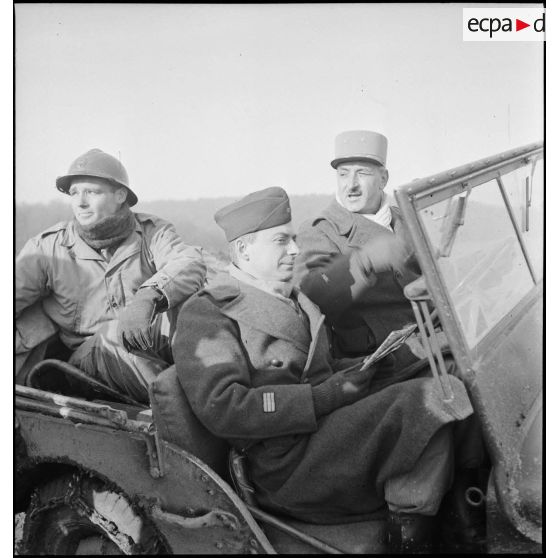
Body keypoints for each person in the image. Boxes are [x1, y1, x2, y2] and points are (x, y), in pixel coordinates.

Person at [172, 186, 476, 553]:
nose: (295, 251)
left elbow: (321, 368)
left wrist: (393, 359)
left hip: (319, 434)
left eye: (294, 240)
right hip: (282, 465)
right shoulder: (210, 311)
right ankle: (417, 543)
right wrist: (323, 396)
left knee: (444, 379)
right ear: (243, 250)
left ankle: (465, 518)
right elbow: (225, 408)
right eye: (281, 241)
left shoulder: (292, 297)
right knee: (425, 402)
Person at [16, 148, 206, 403]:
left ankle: (231, 395)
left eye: (92, 192)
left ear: (120, 195)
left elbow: (188, 262)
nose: (80, 202)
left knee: (204, 314)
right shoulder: (47, 249)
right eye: (74, 193)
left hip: (148, 342)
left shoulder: (152, 233)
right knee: (115, 336)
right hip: (88, 358)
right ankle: (188, 412)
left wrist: (148, 297)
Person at [294, 130, 422, 371]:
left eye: (361, 173)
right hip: (379, 360)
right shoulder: (320, 230)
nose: (350, 185)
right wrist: (363, 262)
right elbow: (311, 294)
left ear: (383, 179)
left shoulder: (406, 220)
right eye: (343, 174)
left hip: (431, 334)